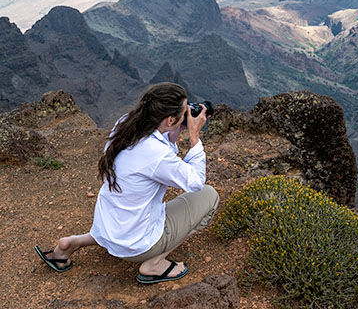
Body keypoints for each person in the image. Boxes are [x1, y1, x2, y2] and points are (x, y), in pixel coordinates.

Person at [35, 82, 220, 284]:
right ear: (169, 119)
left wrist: (174, 130)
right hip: (136, 244)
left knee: (130, 210)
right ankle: (155, 264)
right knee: (209, 196)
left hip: (107, 226)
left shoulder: (126, 125)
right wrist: (194, 135)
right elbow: (195, 182)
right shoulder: (156, 154)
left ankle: (70, 244)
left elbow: (156, 154)